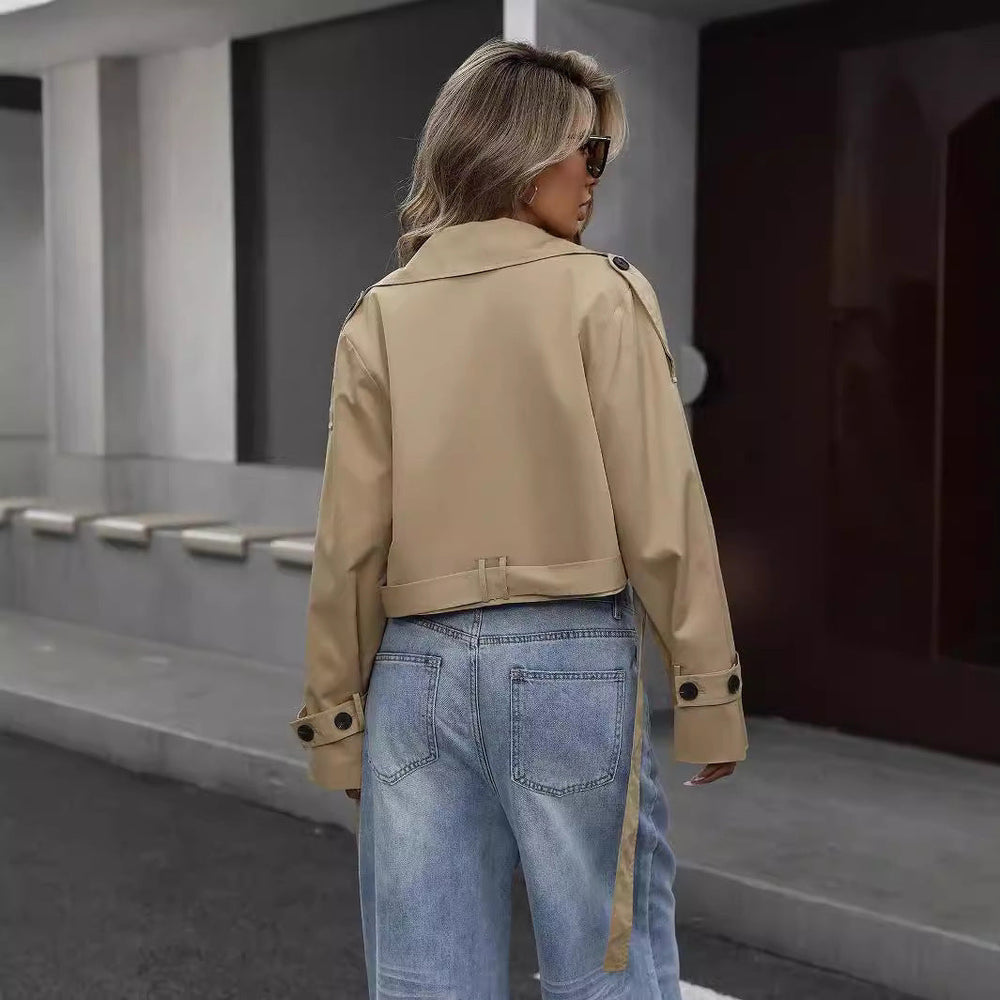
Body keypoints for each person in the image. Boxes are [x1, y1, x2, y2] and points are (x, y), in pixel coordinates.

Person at [289, 37, 748, 1000]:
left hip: (413, 672)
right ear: (526, 152)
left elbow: (349, 545)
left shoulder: (381, 313)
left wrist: (336, 716)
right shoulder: (601, 292)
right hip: (569, 662)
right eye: (588, 151)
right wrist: (708, 689)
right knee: (606, 972)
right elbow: (664, 511)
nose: (596, 177)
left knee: (426, 980)